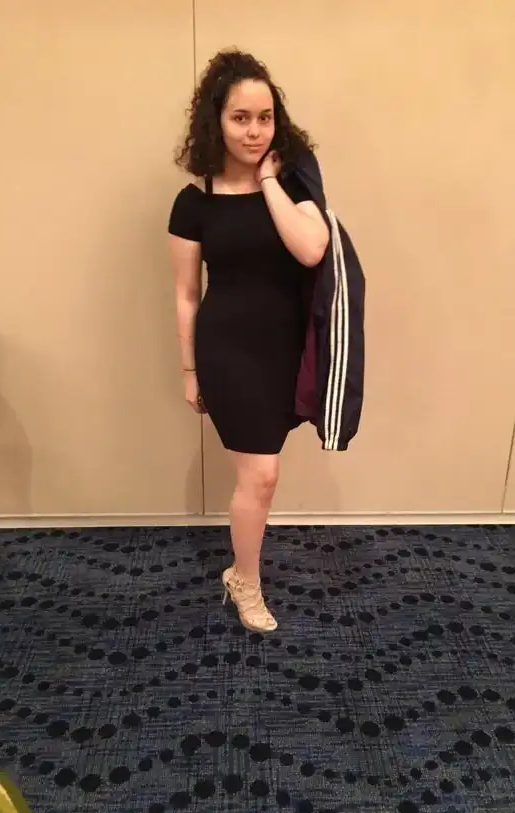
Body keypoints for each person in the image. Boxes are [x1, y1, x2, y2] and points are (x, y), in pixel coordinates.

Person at [167, 49, 330, 633]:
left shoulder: (293, 184)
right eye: (240, 118)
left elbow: (311, 249)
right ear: (216, 121)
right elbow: (186, 293)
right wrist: (190, 371)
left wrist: (267, 181)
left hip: (284, 351)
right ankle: (245, 581)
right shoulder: (194, 202)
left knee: (263, 473)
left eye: (265, 117)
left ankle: (242, 571)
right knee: (261, 475)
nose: (255, 130)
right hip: (229, 352)